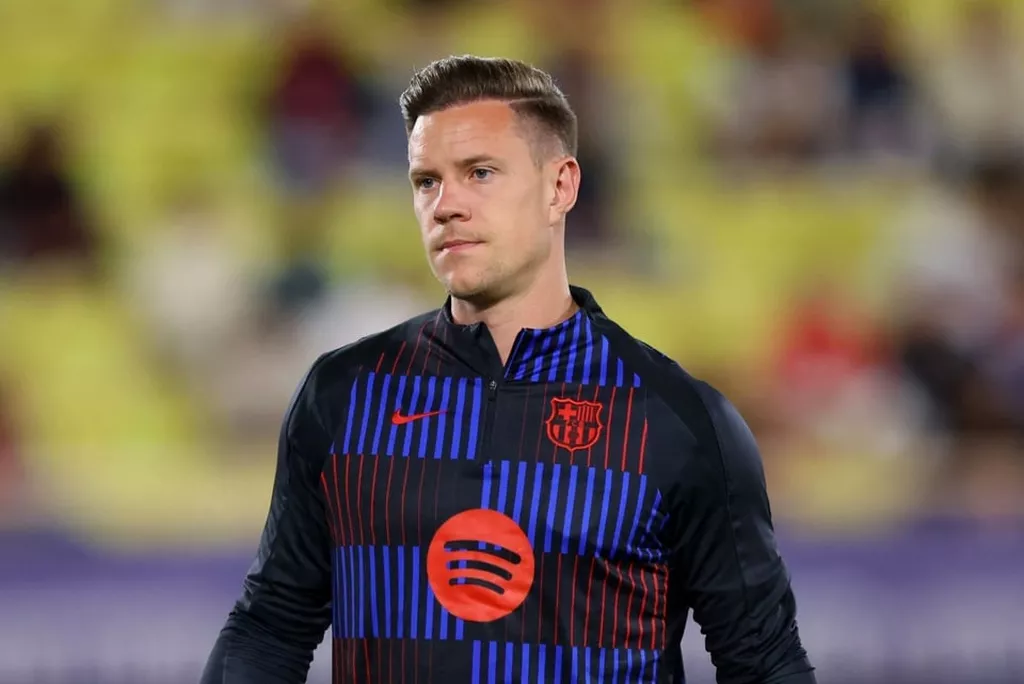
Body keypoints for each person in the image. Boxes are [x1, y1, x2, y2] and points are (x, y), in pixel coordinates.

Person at [201, 55, 816, 684]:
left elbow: (765, 662)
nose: (446, 205)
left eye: (480, 173)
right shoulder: (344, 396)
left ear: (560, 187)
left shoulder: (678, 420)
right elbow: (269, 626)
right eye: (426, 181)